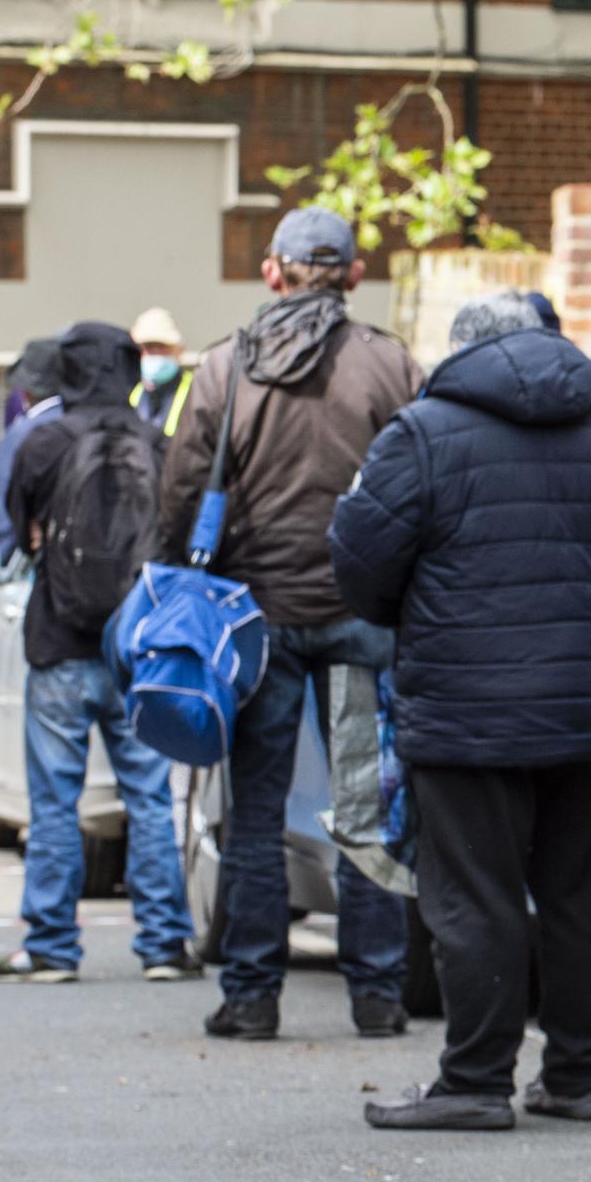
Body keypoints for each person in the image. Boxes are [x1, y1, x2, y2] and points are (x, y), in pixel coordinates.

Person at [327, 292, 591, 1130]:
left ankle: (477, 1080)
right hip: (589, 711)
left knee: (474, 897)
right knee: (583, 897)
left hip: (465, 713)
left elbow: (361, 565)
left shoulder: (422, 433)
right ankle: (579, 1076)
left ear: (464, 353)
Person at [157, 206, 423, 1043]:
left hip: (255, 623)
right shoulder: (388, 365)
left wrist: (171, 582)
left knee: (257, 809)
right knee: (361, 811)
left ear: (272, 272)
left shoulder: (222, 367)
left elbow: (179, 493)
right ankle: (378, 996)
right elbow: (421, 486)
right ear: (350, 274)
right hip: (357, 617)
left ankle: (250, 996)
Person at [0, 321, 201, 985]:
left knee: (54, 801)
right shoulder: (157, 444)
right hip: (138, 646)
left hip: (59, 642)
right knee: (150, 800)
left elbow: (18, 534)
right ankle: (163, 945)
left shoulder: (43, 442)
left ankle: (50, 945)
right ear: (131, 370)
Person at [0, 336, 64, 564]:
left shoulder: (22, 432)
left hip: (30, 559)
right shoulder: (81, 425)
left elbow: (3, 507)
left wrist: (1, 557)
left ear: (26, 390)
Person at [130, 306, 193, 454]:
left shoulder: (196, 392)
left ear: (178, 350)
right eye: (149, 347)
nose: (155, 354)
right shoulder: (131, 393)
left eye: (162, 347)